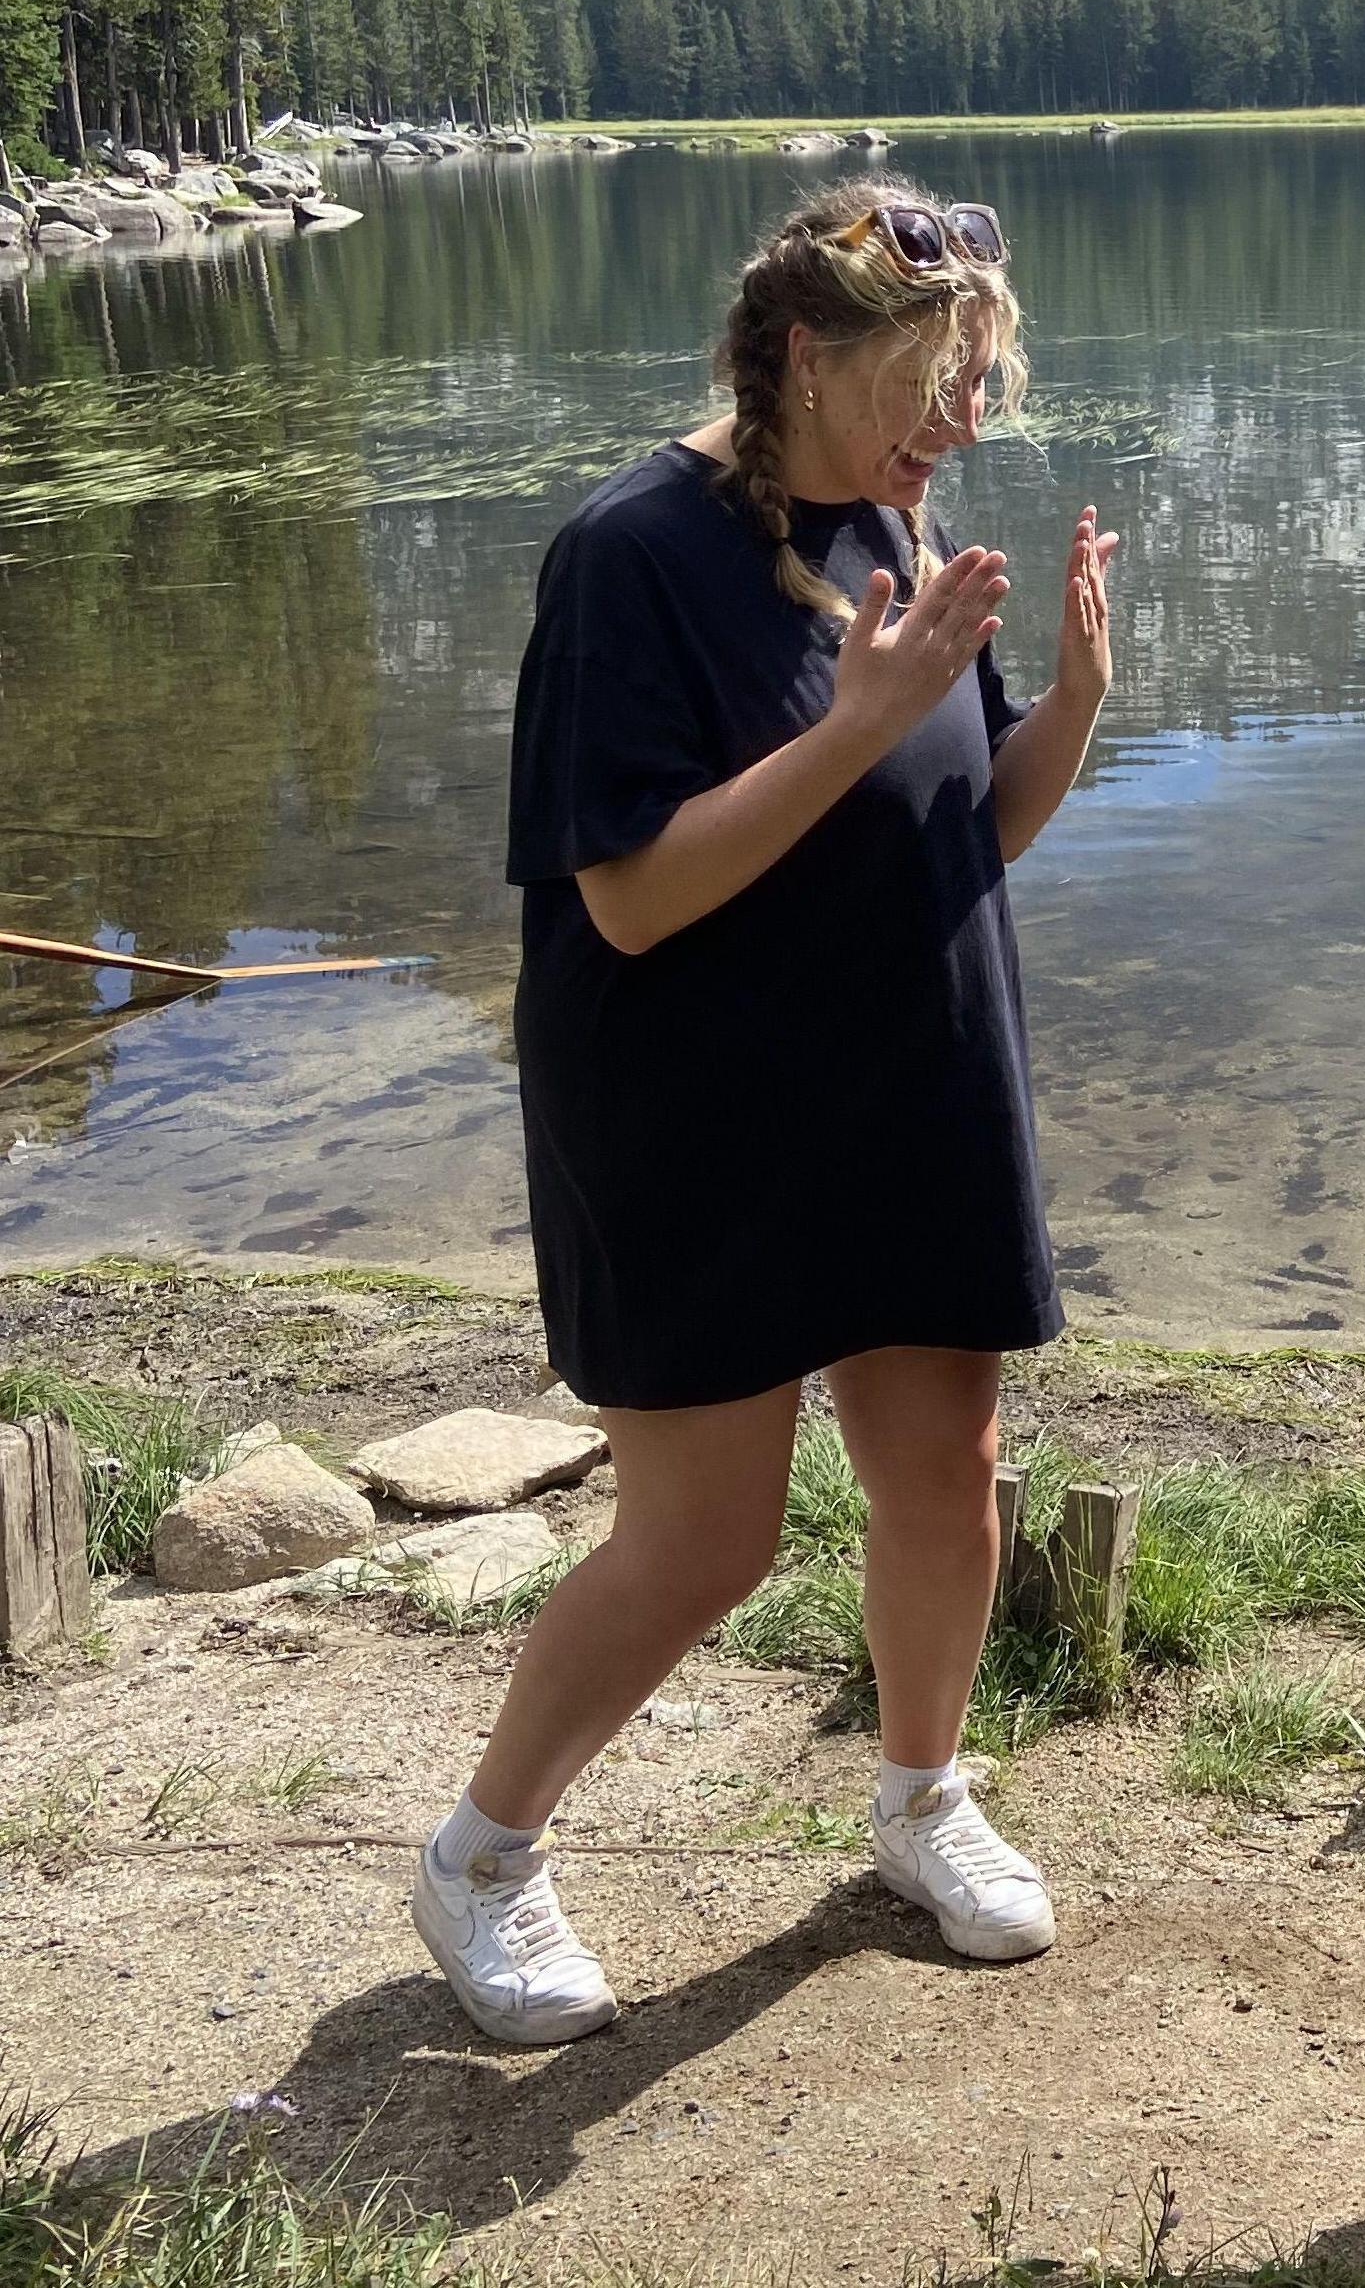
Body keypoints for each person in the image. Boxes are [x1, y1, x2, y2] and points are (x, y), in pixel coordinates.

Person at [412, 178, 1122, 2047]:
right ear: (802, 357)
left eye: (975, 382)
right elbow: (632, 893)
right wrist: (863, 720)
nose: (955, 425)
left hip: (906, 1066)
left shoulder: (885, 496)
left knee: (942, 1467)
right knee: (704, 1538)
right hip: (695, 1105)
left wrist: (1071, 708)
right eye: (927, 380)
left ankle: (921, 1796)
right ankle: (481, 1854)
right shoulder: (626, 554)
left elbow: (953, 832)